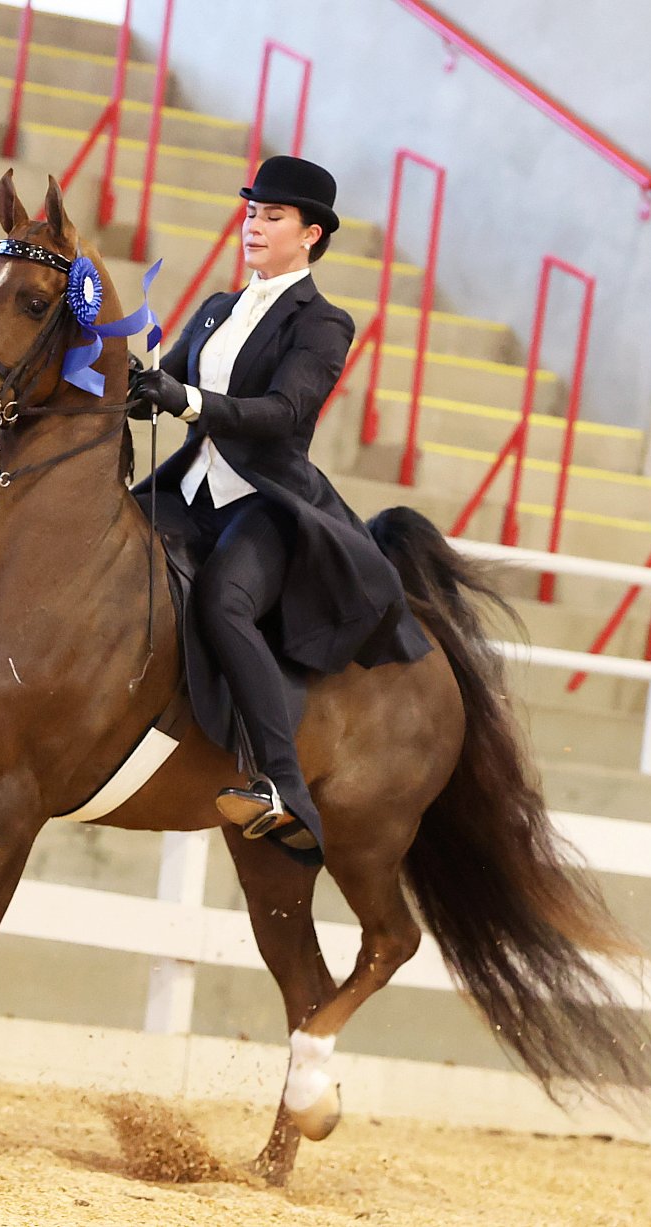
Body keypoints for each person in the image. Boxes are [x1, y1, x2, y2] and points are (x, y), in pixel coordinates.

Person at [130, 155, 432, 861]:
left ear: (312, 235)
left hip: (263, 502)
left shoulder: (325, 323)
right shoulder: (216, 307)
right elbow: (163, 378)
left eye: (272, 216)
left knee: (223, 602)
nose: (255, 226)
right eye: (251, 213)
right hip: (191, 488)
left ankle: (284, 784)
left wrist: (191, 402)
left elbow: (283, 410)